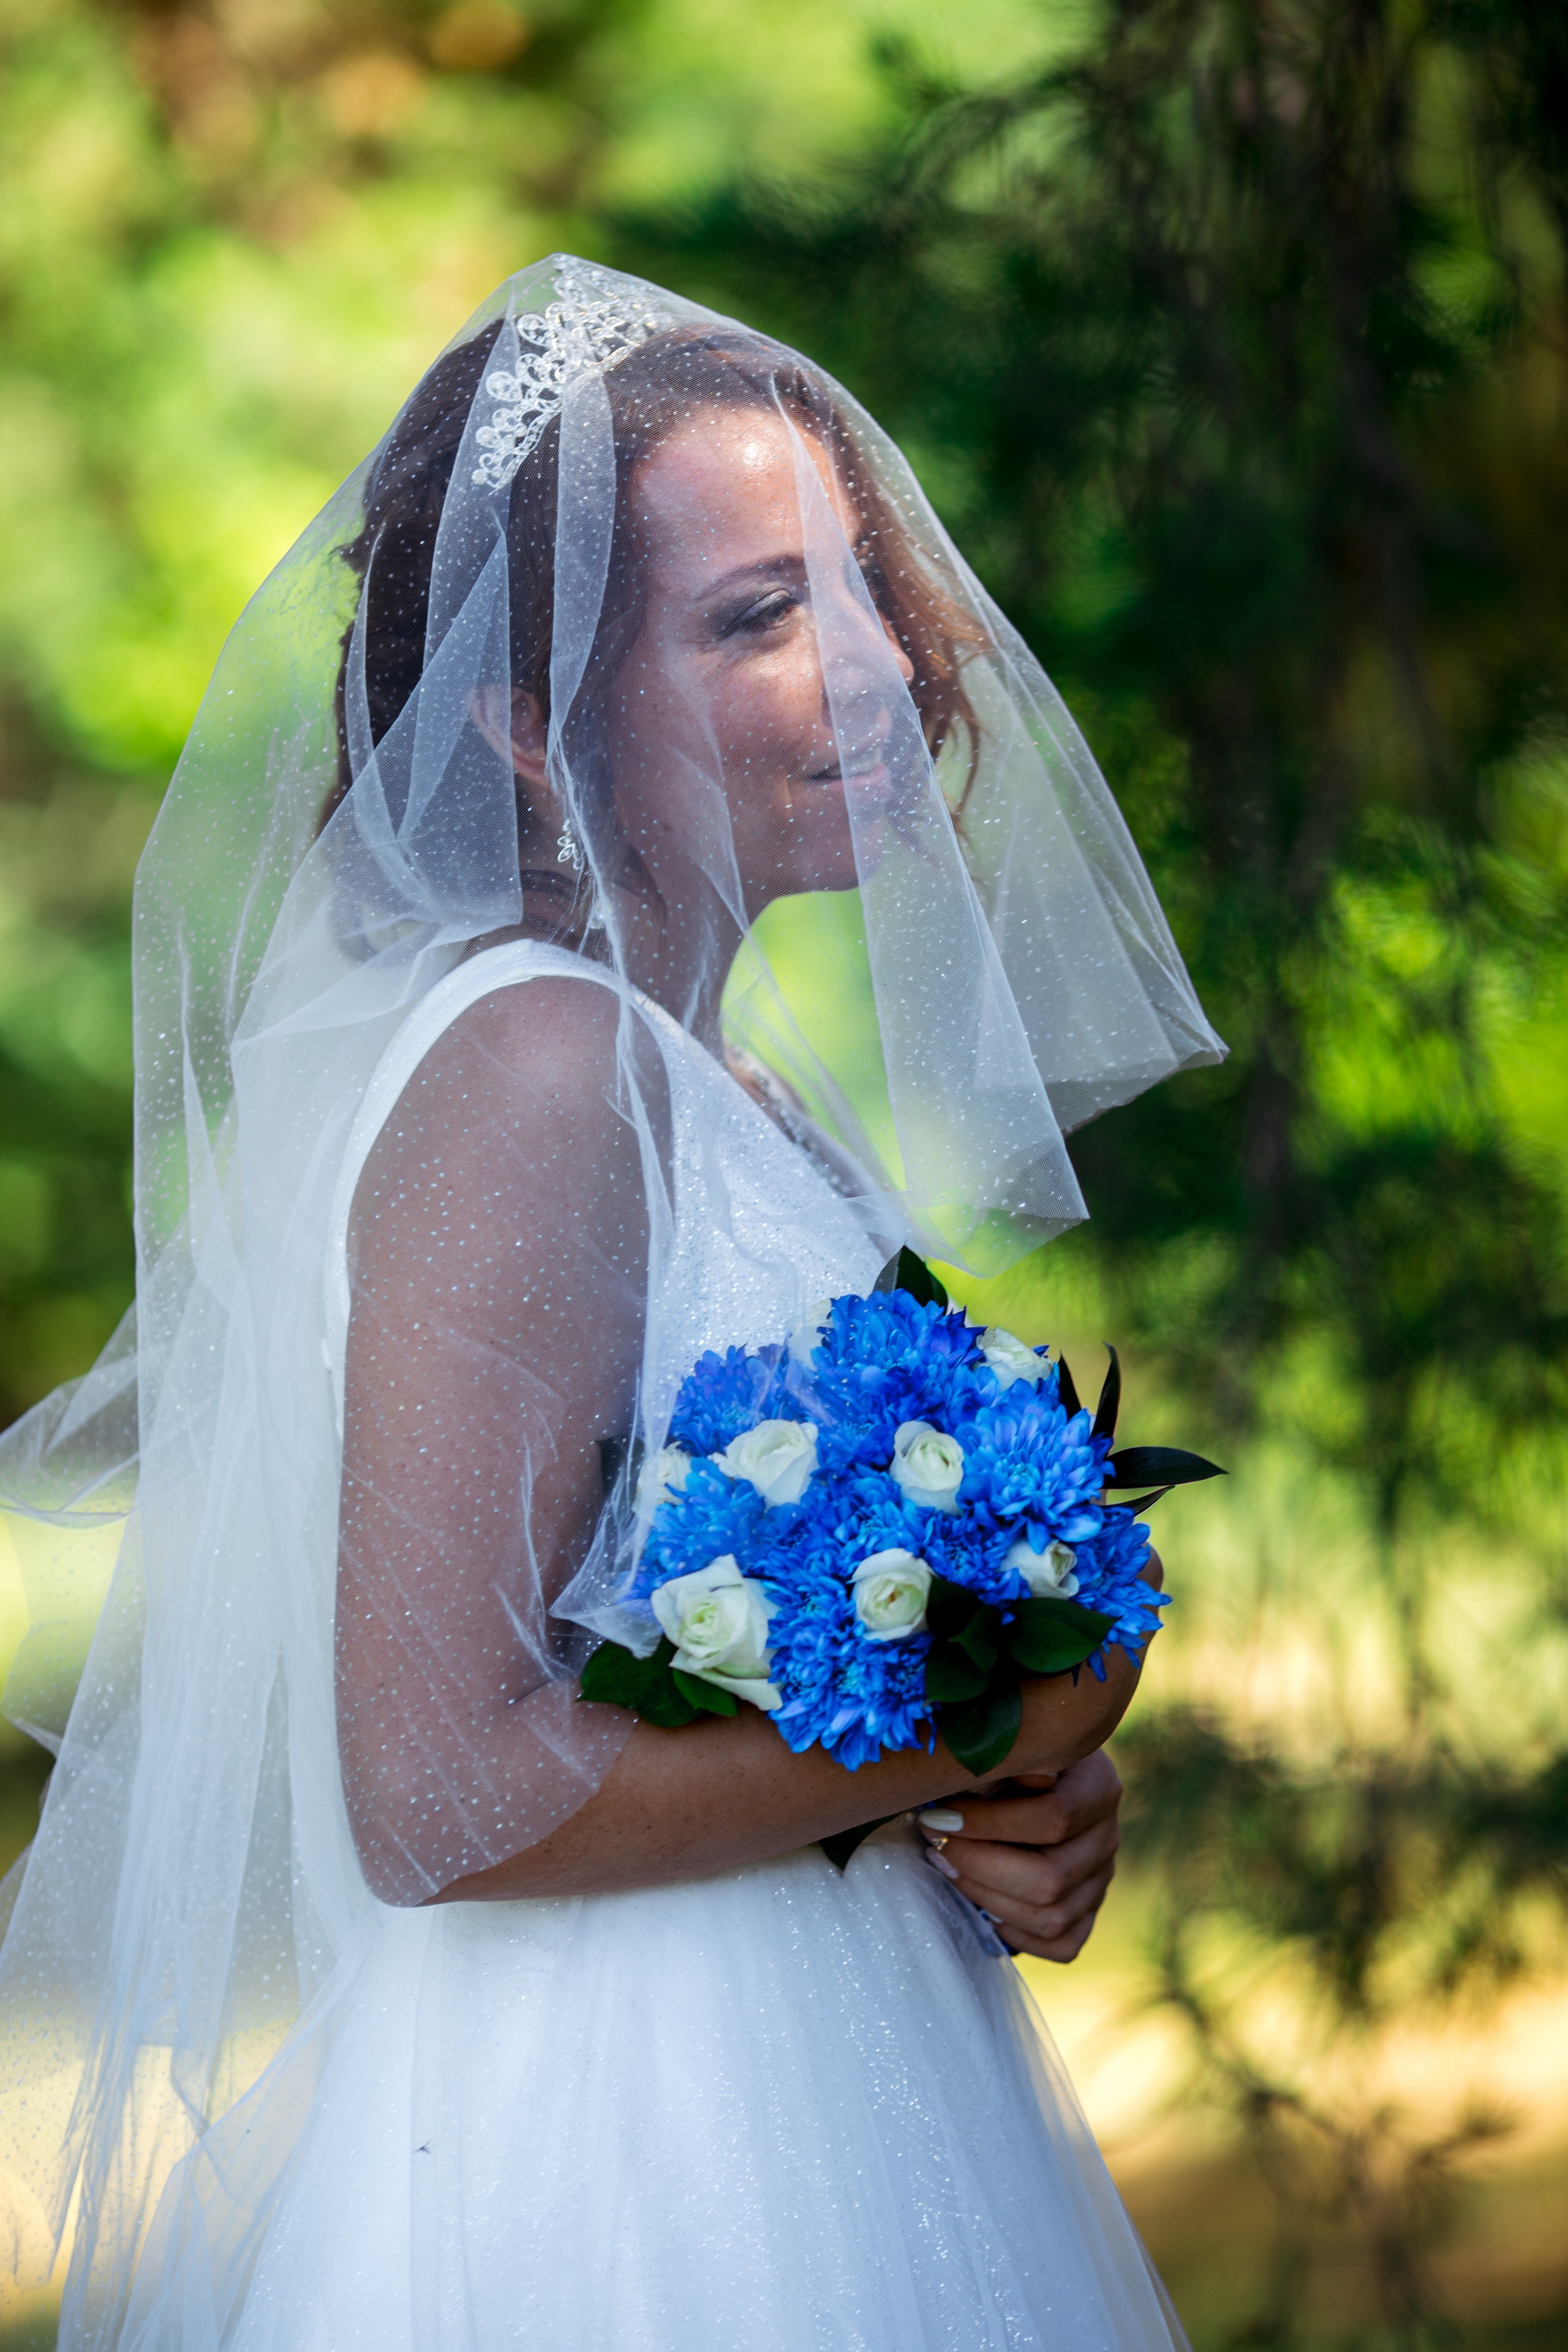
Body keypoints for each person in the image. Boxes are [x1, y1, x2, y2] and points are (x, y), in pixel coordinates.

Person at [0, 257, 1225, 2350]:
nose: (873, 667)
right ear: (527, 722)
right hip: (625, 2149)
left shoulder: (730, 1089)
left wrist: (1007, 1812)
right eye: (760, 616)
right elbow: (440, 1795)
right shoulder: (534, 1070)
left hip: (840, 2069)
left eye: (857, 586)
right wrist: (981, 1719)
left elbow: (699, 1680)